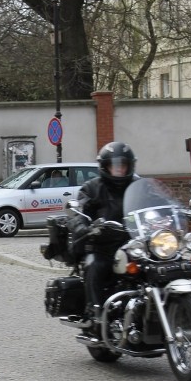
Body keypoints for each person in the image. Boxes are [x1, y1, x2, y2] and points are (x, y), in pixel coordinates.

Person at [74, 141, 138, 331]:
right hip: (104, 246)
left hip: (134, 245)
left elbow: (155, 204)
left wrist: (174, 213)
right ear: (105, 167)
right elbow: (79, 212)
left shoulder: (138, 185)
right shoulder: (92, 188)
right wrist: (83, 227)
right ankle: (96, 315)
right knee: (94, 265)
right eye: (115, 165)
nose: (119, 169)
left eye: (123, 165)